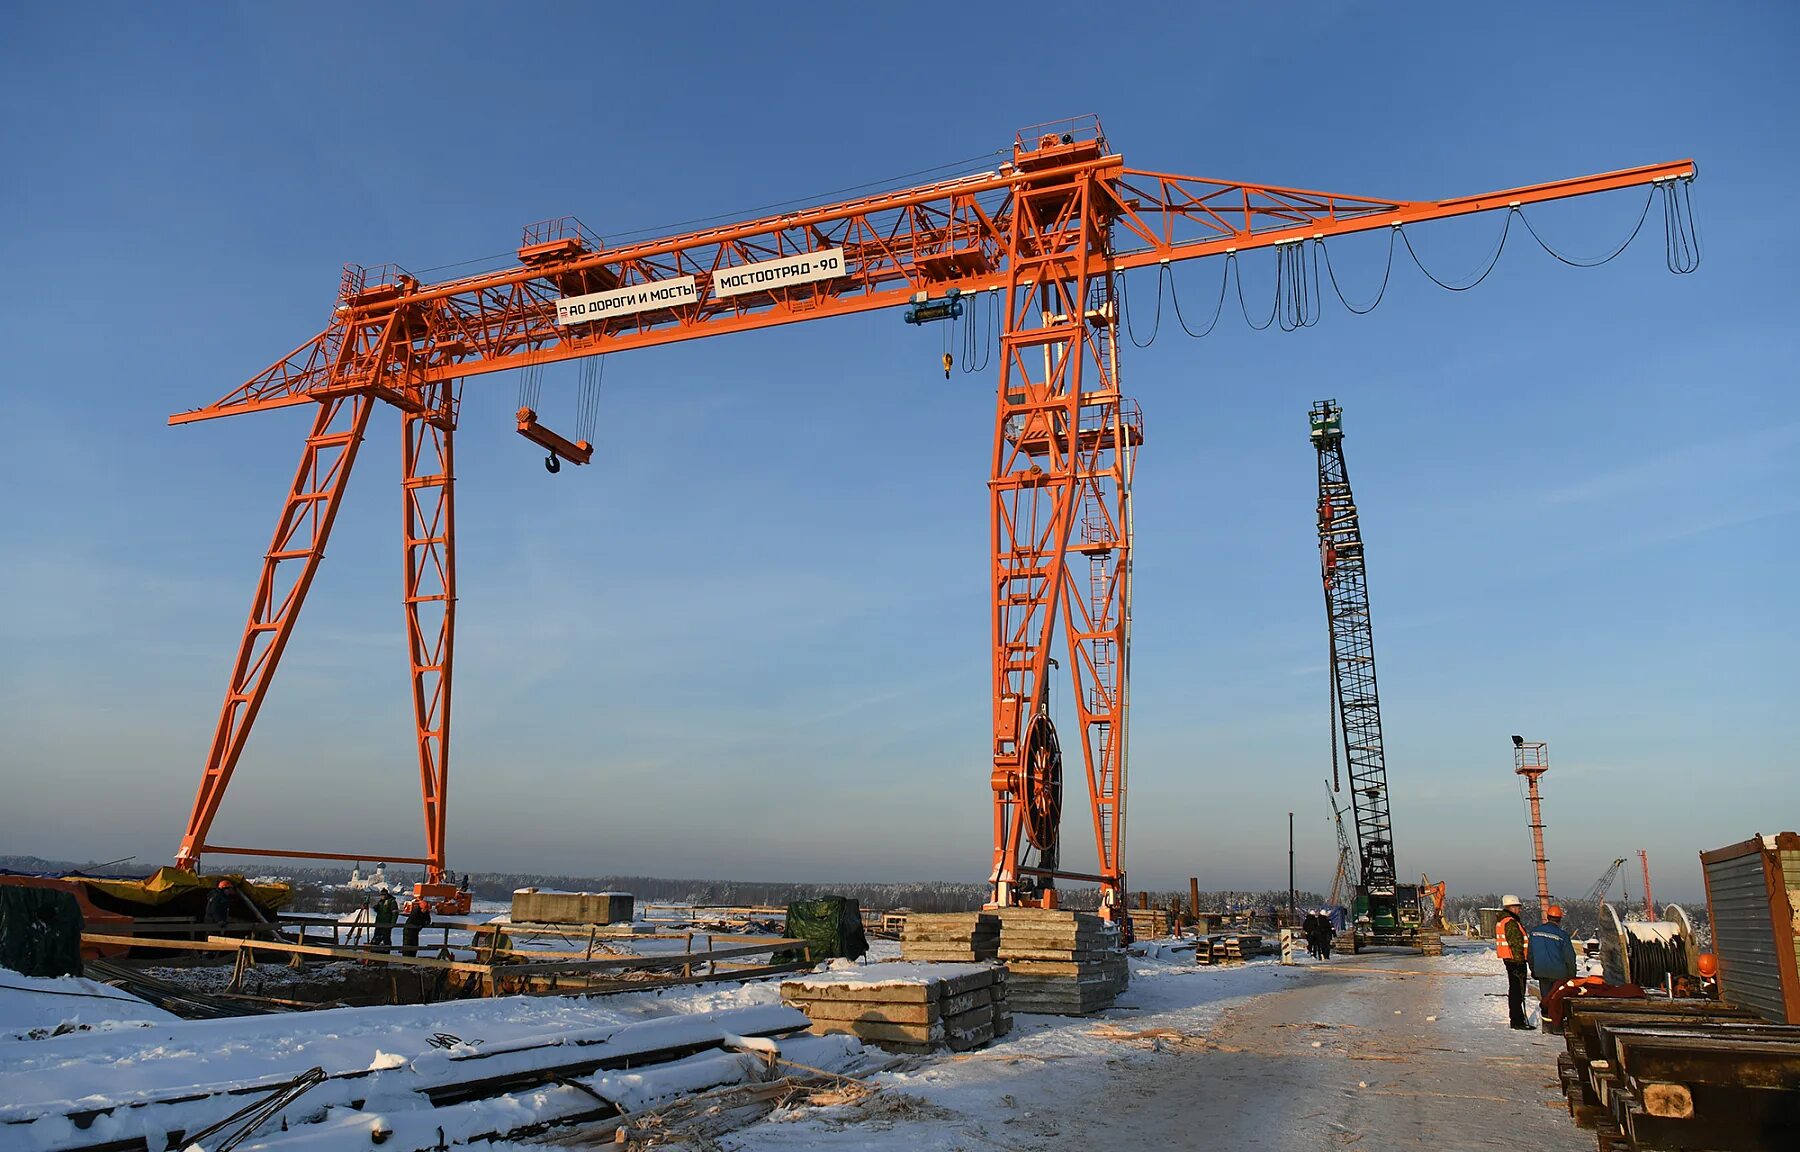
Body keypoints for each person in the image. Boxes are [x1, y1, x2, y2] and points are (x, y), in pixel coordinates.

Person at [1527, 903, 1579, 1032]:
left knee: (1546, 999)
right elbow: (1569, 957)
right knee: (1557, 1001)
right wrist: (1572, 976)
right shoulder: (1562, 936)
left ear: (1547, 916)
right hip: (1559, 974)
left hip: (1542, 972)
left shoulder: (1534, 933)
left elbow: (1530, 954)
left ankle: (1547, 1026)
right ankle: (1557, 1026)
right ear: (1560, 919)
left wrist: (1534, 970)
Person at [1495, 895, 1531, 1030]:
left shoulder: (1503, 920)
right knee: (1517, 991)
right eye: (1517, 907)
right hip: (1515, 961)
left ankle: (1517, 1019)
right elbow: (1516, 943)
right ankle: (1517, 1021)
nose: (1519, 910)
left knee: (1515, 990)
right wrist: (1520, 962)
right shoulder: (1510, 922)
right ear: (1510, 907)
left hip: (1509, 959)